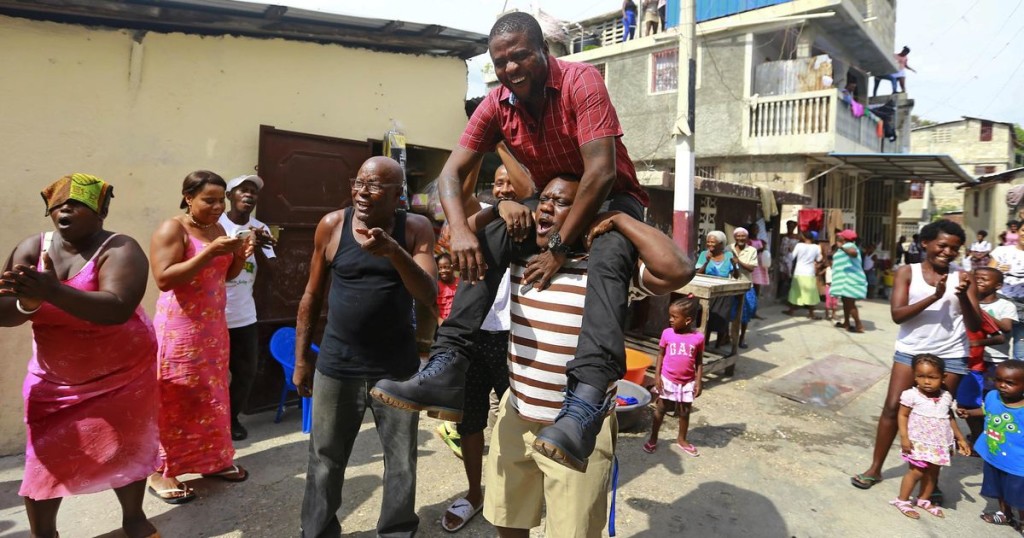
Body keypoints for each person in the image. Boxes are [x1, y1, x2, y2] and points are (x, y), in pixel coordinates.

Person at [371, 12, 652, 472]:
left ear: (544, 50)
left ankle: (585, 401)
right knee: (492, 236)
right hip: (550, 199)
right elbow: (450, 173)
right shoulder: (495, 102)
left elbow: (600, 173)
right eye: (501, 61)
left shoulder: (582, 81)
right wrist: (461, 230)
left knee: (609, 253)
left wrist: (560, 247)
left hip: (610, 198)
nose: (511, 68)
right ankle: (449, 362)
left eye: (521, 55)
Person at [476, 175, 692, 535]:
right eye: (543, 199)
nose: (545, 206)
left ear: (585, 214)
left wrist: (622, 220)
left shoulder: (608, 268)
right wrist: (500, 205)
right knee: (508, 519)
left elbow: (678, 269)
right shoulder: (524, 257)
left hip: (578, 428)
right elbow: (460, 233)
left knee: (572, 531)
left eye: (561, 203)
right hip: (517, 413)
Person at [0, 173, 160, 538]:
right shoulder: (31, 249)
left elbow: (117, 307)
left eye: (78, 203)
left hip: (123, 373)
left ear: (101, 210)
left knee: (127, 444)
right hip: (54, 377)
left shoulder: (121, 248)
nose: (66, 210)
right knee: (43, 456)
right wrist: (28, 302)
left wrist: (53, 292)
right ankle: (44, 534)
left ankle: (134, 519)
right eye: (58, 205)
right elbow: (3, 312)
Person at [292, 156, 436, 537]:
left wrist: (394, 252)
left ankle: (396, 531)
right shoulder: (332, 226)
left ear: (397, 194)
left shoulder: (415, 228)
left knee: (401, 461)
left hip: (397, 370)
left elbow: (428, 292)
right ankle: (318, 531)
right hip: (337, 366)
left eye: (374, 186)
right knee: (324, 459)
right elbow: (311, 295)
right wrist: (301, 360)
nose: (362, 192)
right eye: (358, 183)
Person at [851, 219, 980, 499]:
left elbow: (975, 324)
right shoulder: (906, 273)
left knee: (939, 415)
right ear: (925, 243)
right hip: (912, 351)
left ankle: (930, 481)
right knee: (891, 407)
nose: (948, 252)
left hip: (951, 354)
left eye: (954, 248)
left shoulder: (964, 276)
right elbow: (897, 315)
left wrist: (965, 297)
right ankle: (875, 468)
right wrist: (936, 296)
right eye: (942, 245)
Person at [148, 170, 253, 503]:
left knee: (210, 394)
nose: (217, 206)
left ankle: (213, 460)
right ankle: (160, 471)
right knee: (174, 396)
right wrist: (208, 252)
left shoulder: (217, 228)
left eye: (220, 199)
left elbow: (227, 275)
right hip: (179, 329)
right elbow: (164, 279)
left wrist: (238, 255)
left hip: (212, 329)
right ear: (188, 197)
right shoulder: (172, 229)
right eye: (209, 199)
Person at [439, 165, 530, 533]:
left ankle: (517, 496)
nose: (505, 189)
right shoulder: (477, 220)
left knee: (519, 421)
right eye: (498, 182)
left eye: (512, 182)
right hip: (475, 336)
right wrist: (480, 132)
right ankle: (475, 493)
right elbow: (459, 194)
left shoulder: (536, 225)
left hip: (517, 337)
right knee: (471, 419)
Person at [218, 174, 277, 441]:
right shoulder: (215, 225)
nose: (249, 195)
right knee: (211, 374)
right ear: (229, 196)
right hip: (212, 314)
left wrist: (262, 248)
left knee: (245, 371)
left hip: (244, 315)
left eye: (253, 192)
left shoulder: (260, 227)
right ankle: (211, 422)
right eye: (243, 190)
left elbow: (274, 272)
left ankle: (231, 420)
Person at [890, 354, 971, 519]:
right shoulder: (911, 395)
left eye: (932, 377)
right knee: (916, 472)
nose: (926, 381)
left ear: (943, 377)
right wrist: (904, 437)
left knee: (934, 472)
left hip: (940, 444)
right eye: (921, 376)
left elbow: (949, 418)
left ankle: (924, 499)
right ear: (914, 376)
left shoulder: (946, 397)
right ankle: (903, 500)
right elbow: (903, 416)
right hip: (918, 442)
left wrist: (960, 438)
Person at [957, 360, 1024, 530]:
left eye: (1010, 383)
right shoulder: (993, 396)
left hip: (1018, 464)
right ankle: (1006, 514)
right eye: (998, 380)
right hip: (993, 456)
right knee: (999, 490)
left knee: (1020, 497)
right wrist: (970, 412)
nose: (1002, 385)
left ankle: (1022, 522)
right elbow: (988, 410)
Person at [957, 267, 1016, 442]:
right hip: (970, 360)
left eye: (985, 279)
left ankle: (992, 435)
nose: (980, 281)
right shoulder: (967, 302)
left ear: (998, 285)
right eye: (977, 278)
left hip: (994, 361)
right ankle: (977, 436)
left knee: (992, 401)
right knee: (969, 401)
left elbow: (1004, 330)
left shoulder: (1005, 305)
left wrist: (978, 313)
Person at [643, 296, 704, 456]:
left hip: (687, 382)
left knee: (684, 411)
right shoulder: (667, 334)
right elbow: (661, 355)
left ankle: (682, 439)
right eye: (670, 316)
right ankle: (653, 438)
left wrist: (698, 381)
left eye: (674, 317)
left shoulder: (698, 338)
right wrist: (657, 376)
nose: (670, 320)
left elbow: (698, 361)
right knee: (661, 408)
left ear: (687, 320)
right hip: (667, 379)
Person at [695, 230, 737, 348]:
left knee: (721, 320)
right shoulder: (704, 254)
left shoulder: (729, 255)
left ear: (721, 243)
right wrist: (706, 262)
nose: (710, 245)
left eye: (713, 242)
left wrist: (734, 265)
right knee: (705, 319)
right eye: (708, 242)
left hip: (724, 293)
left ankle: (718, 345)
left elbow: (736, 275)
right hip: (707, 291)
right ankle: (705, 344)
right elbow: (698, 274)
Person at [989, 230, 1024, 359]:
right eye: (1023, 230)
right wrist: (998, 269)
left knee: (1021, 353)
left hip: (1023, 306)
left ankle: (1018, 378)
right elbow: (988, 274)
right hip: (1002, 301)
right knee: (997, 349)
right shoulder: (1002, 251)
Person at [831, 229, 868, 333]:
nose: (839, 237)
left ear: (845, 238)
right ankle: (846, 322)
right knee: (845, 302)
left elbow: (853, 253)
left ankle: (859, 325)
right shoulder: (845, 246)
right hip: (845, 279)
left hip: (850, 279)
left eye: (841, 236)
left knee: (850, 303)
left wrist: (841, 246)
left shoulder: (849, 246)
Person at [729, 227, 758, 349]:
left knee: (744, 315)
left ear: (747, 238)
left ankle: (742, 337)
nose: (740, 238)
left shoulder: (752, 250)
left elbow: (751, 268)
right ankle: (727, 336)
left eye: (743, 236)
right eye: (738, 236)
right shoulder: (728, 248)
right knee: (729, 313)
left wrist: (738, 262)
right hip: (729, 285)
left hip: (746, 286)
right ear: (735, 237)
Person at [784, 230, 822, 319]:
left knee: (795, 291)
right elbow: (819, 259)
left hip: (799, 272)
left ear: (804, 237)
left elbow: (792, 257)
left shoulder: (799, 245)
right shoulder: (816, 247)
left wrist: (789, 251)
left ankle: (791, 310)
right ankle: (811, 313)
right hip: (810, 272)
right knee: (811, 292)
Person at [748, 222, 769, 318]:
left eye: (757, 228)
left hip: (759, 267)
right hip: (752, 268)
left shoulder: (761, 241)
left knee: (757, 291)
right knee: (750, 290)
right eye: (753, 228)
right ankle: (749, 311)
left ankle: (754, 312)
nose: (755, 230)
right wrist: (760, 250)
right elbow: (749, 254)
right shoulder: (749, 241)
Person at [778, 220, 799, 298]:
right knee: (782, 276)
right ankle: (780, 294)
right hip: (782, 258)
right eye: (788, 226)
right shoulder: (782, 236)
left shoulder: (797, 237)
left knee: (790, 277)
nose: (790, 228)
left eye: (792, 226)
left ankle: (788, 294)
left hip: (791, 259)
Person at [436, 252, 458, 326]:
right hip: (441, 325)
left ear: (453, 267)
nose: (443, 271)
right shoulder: (436, 285)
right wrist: (439, 319)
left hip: (458, 323)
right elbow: (432, 305)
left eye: (446, 267)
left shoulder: (460, 283)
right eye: (440, 268)